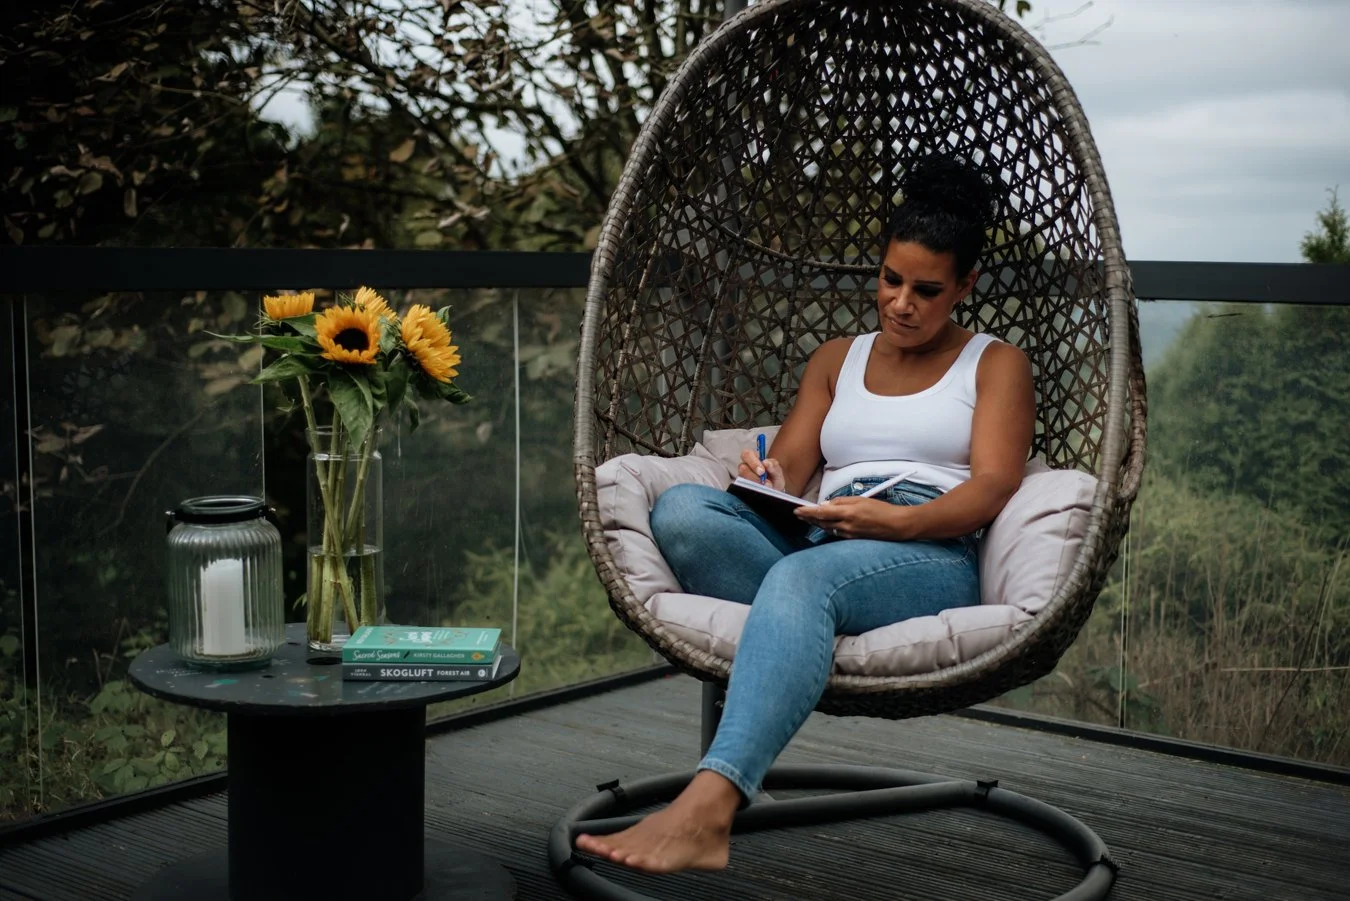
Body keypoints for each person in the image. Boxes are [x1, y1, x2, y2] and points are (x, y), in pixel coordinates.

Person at [575, 154, 1036, 874]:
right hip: (822, 528)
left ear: (966, 286)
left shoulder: (994, 362)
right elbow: (789, 460)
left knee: (803, 581)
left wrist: (892, 522)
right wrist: (770, 477)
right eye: (890, 279)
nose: (901, 303)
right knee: (684, 511)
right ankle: (802, 623)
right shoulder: (836, 357)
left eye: (927, 289)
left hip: (930, 547)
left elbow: (993, 487)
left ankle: (712, 803)